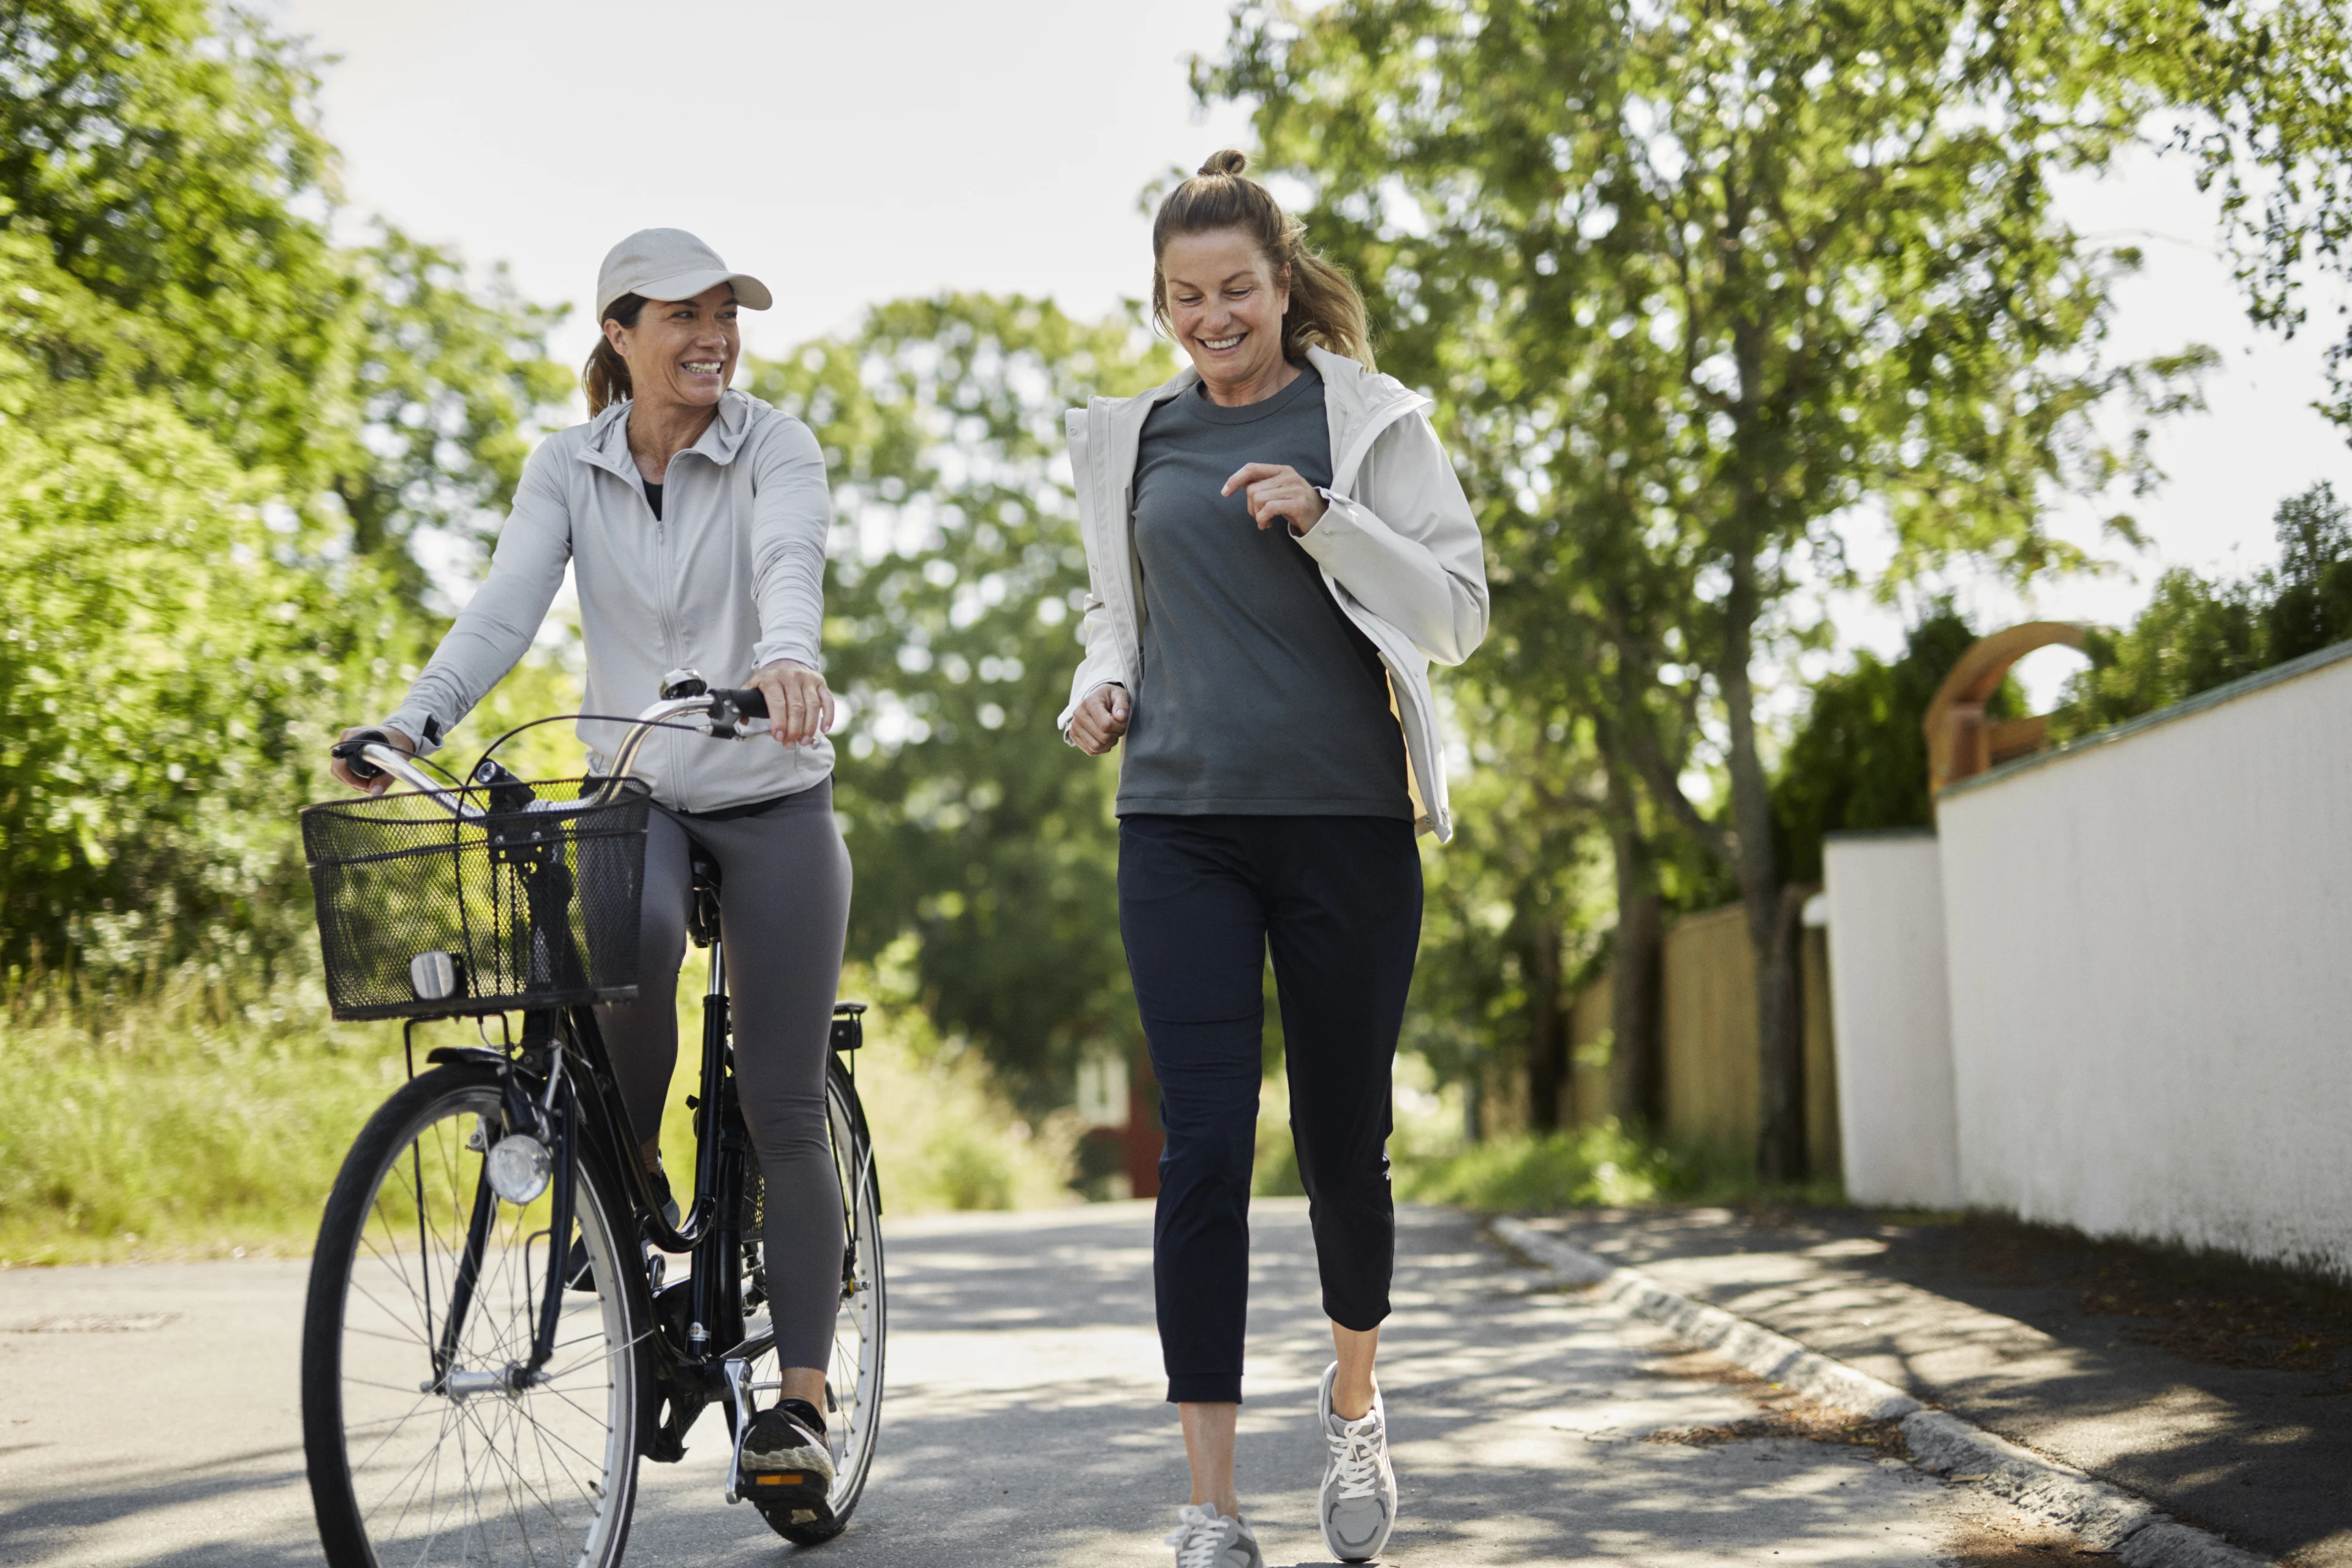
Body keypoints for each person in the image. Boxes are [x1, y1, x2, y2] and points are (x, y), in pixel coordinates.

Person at [331, 228, 850, 1509]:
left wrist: (788, 658)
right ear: (621, 333)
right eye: (685, 314)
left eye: (728, 312)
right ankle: (631, 1204)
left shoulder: (776, 444)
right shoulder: (567, 465)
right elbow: (507, 602)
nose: (715, 335)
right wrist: (415, 721)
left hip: (774, 791)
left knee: (782, 1099)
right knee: (629, 953)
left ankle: (803, 1400)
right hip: (643, 784)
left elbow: (790, 561)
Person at [1060, 151, 1488, 1567]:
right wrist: (1098, 686)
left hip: (1346, 828)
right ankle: (1211, 1503)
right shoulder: (1133, 438)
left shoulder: (1369, 423)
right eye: (1185, 296)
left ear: (1283, 281)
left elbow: (1459, 615)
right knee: (1201, 1147)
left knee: (1343, 1143)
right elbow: (1116, 614)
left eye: (1235, 288)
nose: (1211, 317)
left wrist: (1330, 515)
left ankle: (1355, 1400)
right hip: (1176, 822)